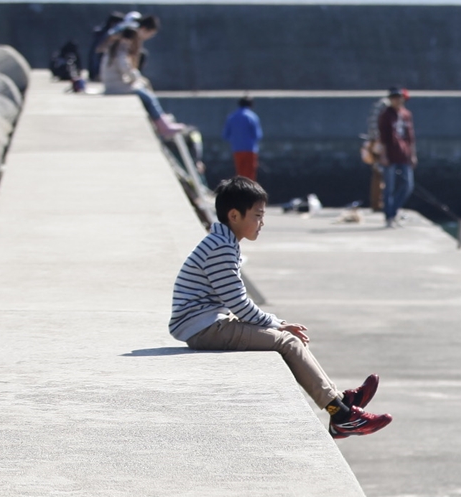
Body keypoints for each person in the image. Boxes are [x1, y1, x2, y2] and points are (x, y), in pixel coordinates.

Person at [170, 176, 392, 440]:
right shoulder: (220, 249)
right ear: (234, 215)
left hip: (206, 322)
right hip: (203, 328)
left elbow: (236, 303)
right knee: (287, 342)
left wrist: (274, 323)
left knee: (287, 338)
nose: (262, 223)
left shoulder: (223, 243)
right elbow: (239, 304)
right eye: (258, 216)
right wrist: (275, 323)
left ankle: (342, 401)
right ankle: (341, 415)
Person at [376, 88, 416, 227]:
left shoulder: (406, 114)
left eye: (398, 97)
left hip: (404, 155)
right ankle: (389, 216)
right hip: (390, 156)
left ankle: (393, 211)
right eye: (393, 97)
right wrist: (383, 155)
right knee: (389, 187)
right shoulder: (385, 115)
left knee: (407, 186)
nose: (396, 100)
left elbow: (410, 137)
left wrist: (412, 155)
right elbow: (383, 138)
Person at [223, 96, 263, 179]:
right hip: (250, 150)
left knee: (240, 175)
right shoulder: (252, 117)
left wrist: (236, 140)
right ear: (251, 105)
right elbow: (258, 135)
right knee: (250, 175)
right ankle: (249, 192)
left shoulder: (231, 117)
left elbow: (225, 135)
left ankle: (240, 191)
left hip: (237, 150)